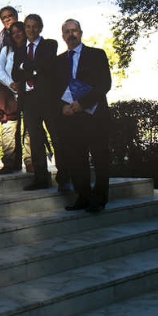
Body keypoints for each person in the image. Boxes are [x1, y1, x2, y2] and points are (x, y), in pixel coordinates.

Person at [57, 19, 112, 213]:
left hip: (94, 115)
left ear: (80, 33)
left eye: (74, 31)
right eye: (67, 32)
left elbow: (104, 84)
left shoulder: (97, 55)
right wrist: (63, 108)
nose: (71, 34)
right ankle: (83, 197)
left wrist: (82, 104)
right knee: (76, 159)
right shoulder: (59, 60)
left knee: (99, 158)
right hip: (72, 118)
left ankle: (99, 200)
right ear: (63, 36)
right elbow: (55, 90)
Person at [12, 14, 63, 191]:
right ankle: (41, 178)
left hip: (48, 98)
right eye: (27, 27)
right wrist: (33, 69)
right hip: (29, 100)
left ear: (40, 28)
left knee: (56, 137)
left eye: (34, 27)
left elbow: (47, 66)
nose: (31, 30)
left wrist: (26, 67)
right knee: (35, 140)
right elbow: (15, 75)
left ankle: (64, 177)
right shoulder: (19, 51)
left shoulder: (49, 44)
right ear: (24, 29)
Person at [0, 21, 26, 174]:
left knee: (30, 129)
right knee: (8, 128)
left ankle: (30, 161)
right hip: (9, 94)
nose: (17, 34)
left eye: (20, 31)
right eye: (14, 33)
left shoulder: (30, 49)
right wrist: (11, 83)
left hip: (28, 93)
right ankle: (8, 162)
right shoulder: (6, 50)